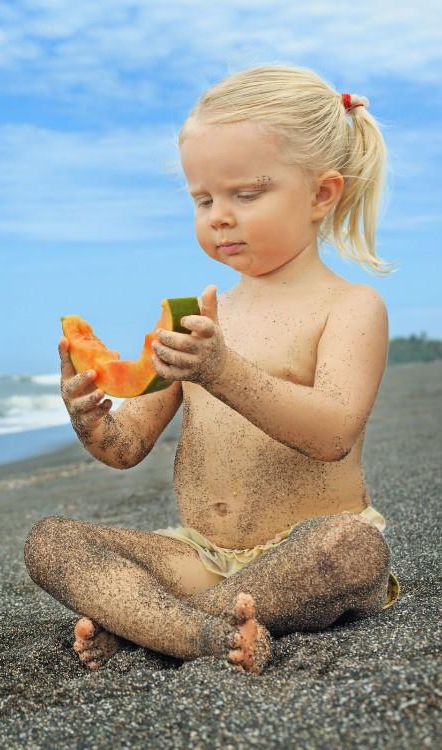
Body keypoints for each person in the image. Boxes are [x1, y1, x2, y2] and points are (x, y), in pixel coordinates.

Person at [24, 64, 400, 675]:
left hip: (301, 551)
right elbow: (126, 447)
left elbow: (334, 433)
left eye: (246, 194)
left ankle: (158, 627)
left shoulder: (351, 307)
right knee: (51, 541)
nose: (219, 215)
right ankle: (200, 631)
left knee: (352, 550)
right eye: (203, 199)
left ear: (322, 194)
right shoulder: (194, 315)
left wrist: (223, 370)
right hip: (196, 555)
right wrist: (91, 420)